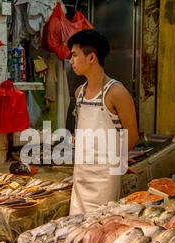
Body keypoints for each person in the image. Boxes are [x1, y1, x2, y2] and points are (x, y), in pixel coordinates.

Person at [67, 29, 139, 217]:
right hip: (81, 176)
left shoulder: (116, 92)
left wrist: (118, 160)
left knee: (101, 228)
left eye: (74, 55)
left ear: (91, 58)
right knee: (76, 231)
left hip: (105, 180)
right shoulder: (79, 93)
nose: (71, 61)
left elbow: (132, 135)